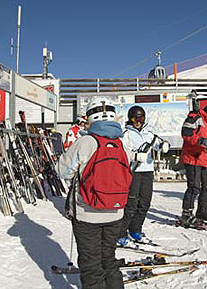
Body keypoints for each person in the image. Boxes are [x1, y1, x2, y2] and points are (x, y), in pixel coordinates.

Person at [57, 97, 129, 289]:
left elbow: (63, 171)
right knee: (109, 260)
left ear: (90, 117)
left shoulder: (86, 142)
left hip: (87, 213)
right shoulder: (122, 143)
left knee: (91, 265)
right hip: (116, 212)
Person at [116, 105, 170, 247]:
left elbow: (158, 144)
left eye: (141, 118)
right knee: (131, 204)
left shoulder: (149, 134)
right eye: (135, 118)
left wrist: (164, 146)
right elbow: (121, 153)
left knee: (144, 202)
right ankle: (120, 233)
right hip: (134, 171)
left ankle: (135, 230)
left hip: (147, 171)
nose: (138, 121)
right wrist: (134, 156)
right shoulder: (126, 133)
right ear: (130, 119)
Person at [179, 101, 207, 229]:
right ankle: (186, 214)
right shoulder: (195, 117)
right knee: (194, 187)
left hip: (206, 158)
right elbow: (186, 133)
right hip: (193, 157)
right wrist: (200, 141)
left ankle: (201, 211)